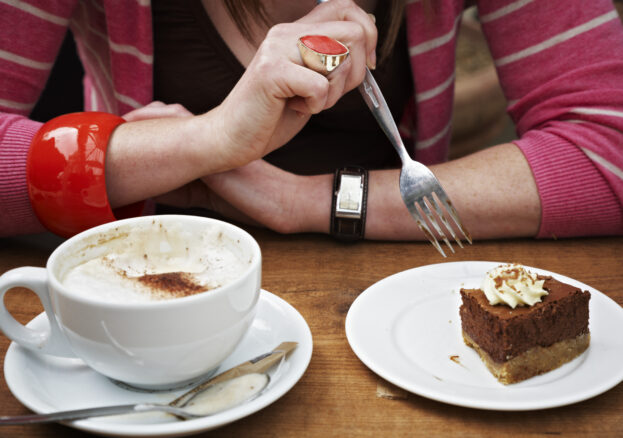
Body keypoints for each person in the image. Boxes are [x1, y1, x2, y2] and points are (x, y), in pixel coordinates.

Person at [0, 0, 621, 241]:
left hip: (397, 301)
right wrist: (203, 141)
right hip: (136, 286)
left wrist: (300, 201)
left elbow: (608, 143)